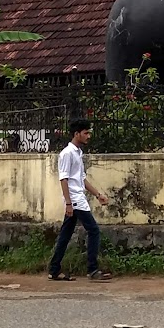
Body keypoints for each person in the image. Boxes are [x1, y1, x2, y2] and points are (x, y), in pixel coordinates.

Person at [49, 119, 112, 281]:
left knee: (66, 234)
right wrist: (69, 203)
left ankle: (54, 269)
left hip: (77, 198)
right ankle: (92, 270)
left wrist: (98, 195)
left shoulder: (78, 153)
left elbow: (81, 179)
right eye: (85, 133)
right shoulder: (67, 154)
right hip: (75, 200)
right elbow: (64, 179)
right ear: (76, 134)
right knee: (94, 230)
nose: (88, 136)